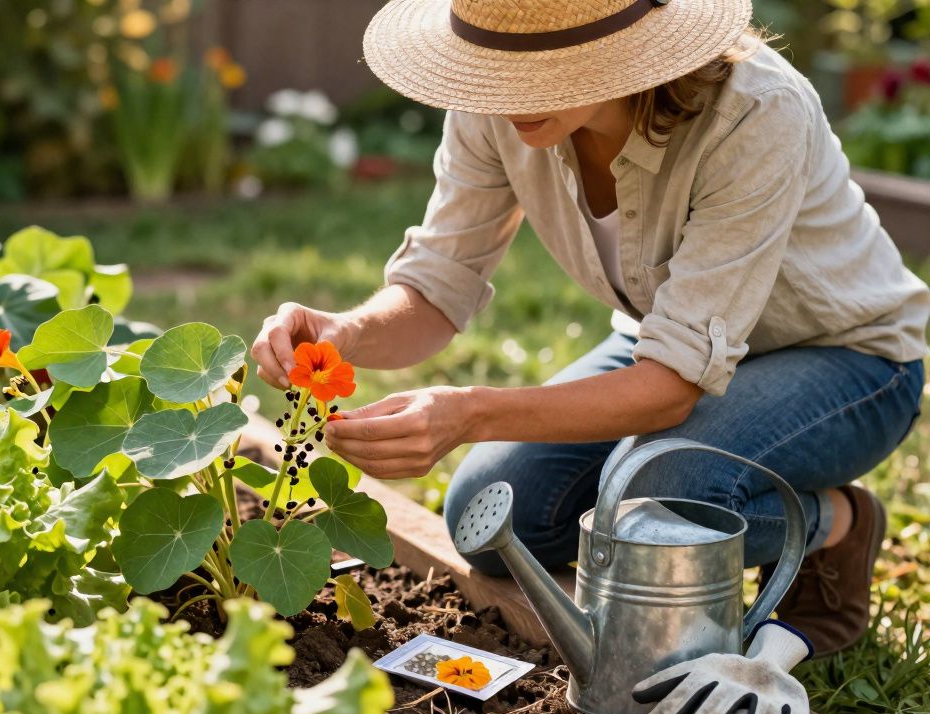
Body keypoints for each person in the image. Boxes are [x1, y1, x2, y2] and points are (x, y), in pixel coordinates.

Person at [250, 0, 929, 656]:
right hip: (667, 343)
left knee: (647, 508)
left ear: (618, 53)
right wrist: (346, 332)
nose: (509, 98)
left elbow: (669, 390)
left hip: (850, 363)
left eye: (542, 72)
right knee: (488, 521)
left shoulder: (754, 112)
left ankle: (836, 525)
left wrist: (471, 413)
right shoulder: (491, 93)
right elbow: (435, 288)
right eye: (494, 67)